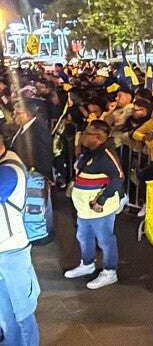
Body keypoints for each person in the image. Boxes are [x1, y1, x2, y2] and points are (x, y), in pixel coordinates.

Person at [64, 120, 124, 290]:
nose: (83, 135)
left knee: (105, 240)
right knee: (83, 236)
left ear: (97, 137)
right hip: (84, 208)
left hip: (99, 209)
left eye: (87, 133)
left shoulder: (105, 155)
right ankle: (87, 263)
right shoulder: (90, 152)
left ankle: (110, 271)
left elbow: (118, 178)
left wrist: (102, 199)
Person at [0, 131, 40, 346]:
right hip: (4, 250)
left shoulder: (9, 170)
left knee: (22, 313)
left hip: (12, 252)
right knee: (4, 313)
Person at [10, 101, 54, 181]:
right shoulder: (24, 127)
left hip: (34, 179)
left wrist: (38, 177)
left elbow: (44, 158)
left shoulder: (39, 131)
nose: (14, 116)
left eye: (17, 113)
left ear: (28, 114)